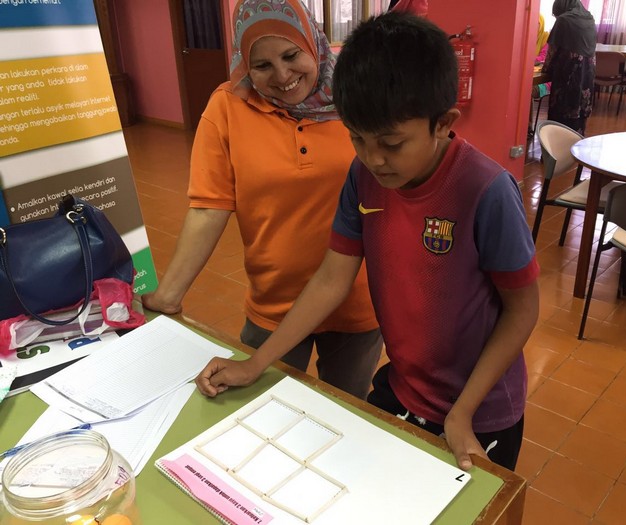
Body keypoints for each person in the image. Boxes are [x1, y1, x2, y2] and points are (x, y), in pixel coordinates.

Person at [195, 12, 540, 472]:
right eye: (357, 138)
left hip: (481, 413)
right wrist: (255, 363)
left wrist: (461, 414)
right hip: (403, 389)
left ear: (443, 123)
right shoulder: (363, 177)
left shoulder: (487, 190)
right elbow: (331, 279)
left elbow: (523, 310)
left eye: (392, 144)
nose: (374, 159)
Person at [143, 0, 383, 400]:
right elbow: (208, 207)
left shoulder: (357, 96)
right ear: (243, 63)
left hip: (357, 301)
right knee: (257, 407)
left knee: (346, 411)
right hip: (273, 304)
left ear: (313, 43)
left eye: (291, 56)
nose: (283, 76)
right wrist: (169, 294)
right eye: (262, 65)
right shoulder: (228, 106)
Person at [542, 0, 596, 134]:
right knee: (579, 118)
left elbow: (552, 51)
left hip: (568, 76)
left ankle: (556, 146)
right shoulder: (589, 19)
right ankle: (576, 144)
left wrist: (545, 70)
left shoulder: (563, 20)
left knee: (561, 118)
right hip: (586, 76)